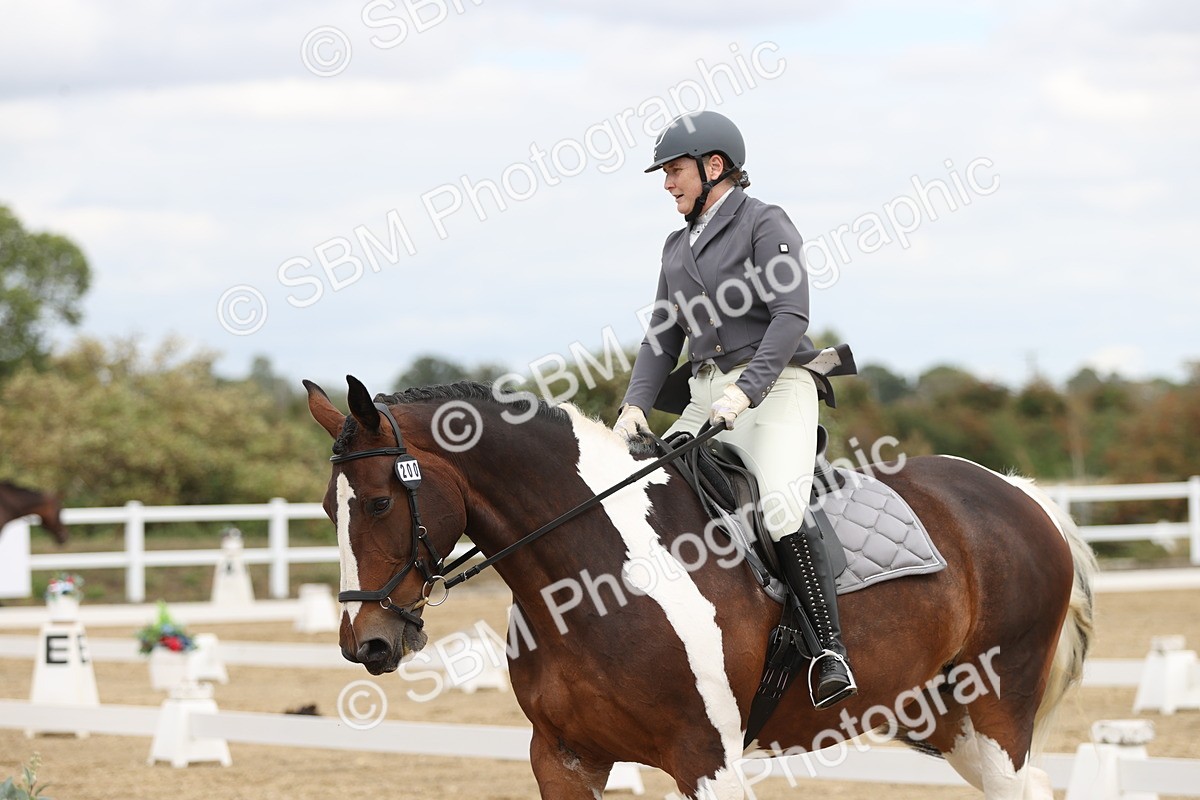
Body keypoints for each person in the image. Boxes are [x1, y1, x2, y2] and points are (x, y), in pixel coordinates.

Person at [613, 110, 857, 708]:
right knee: (649, 490)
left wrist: (748, 389)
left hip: (775, 390)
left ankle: (828, 650)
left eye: (674, 171)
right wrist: (635, 407)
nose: (667, 183)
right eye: (665, 173)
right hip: (704, 395)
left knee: (778, 506)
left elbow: (791, 316)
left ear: (713, 166)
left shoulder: (763, 222)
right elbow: (661, 336)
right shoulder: (676, 246)